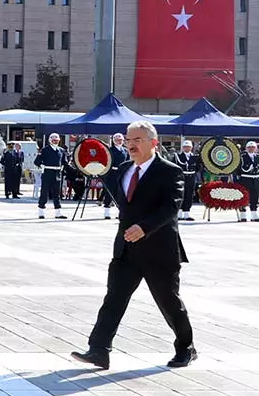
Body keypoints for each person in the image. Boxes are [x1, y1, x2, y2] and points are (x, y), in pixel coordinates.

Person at [72, 120, 195, 370]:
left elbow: (171, 206)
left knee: (168, 302)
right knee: (114, 299)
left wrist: (145, 227)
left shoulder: (170, 170)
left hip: (159, 249)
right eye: (128, 140)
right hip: (126, 250)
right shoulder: (125, 169)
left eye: (137, 140)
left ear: (154, 142)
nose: (131, 145)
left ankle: (186, 347)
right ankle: (98, 350)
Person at [35, 133, 68, 219]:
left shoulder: (61, 150)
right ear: (50, 140)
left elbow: (65, 162)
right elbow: (37, 161)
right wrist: (42, 166)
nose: (55, 142)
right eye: (53, 140)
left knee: (57, 194)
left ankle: (58, 213)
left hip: (57, 173)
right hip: (47, 173)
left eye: (56, 140)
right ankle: (41, 212)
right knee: (44, 192)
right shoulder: (45, 150)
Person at [103, 133, 129, 219]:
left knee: (120, 193)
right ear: (114, 141)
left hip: (121, 174)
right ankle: (107, 212)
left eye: (121, 140)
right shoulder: (110, 150)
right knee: (110, 192)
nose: (120, 141)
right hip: (112, 173)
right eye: (118, 140)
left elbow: (128, 162)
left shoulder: (125, 150)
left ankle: (120, 213)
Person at [174, 140, 200, 221]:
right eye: (185, 147)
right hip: (182, 177)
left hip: (191, 177)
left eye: (188, 147)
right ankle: (179, 214)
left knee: (189, 194)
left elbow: (198, 167)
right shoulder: (178, 156)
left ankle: (186, 213)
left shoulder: (195, 157)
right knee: (181, 194)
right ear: (182, 148)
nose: (187, 148)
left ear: (191, 148)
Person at [241, 141, 259, 222]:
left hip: (256, 178)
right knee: (243, 196)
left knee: (255, 197)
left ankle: (254, 215)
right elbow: (239, 167)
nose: (251, 149)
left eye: (253, 147)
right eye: (249, 147)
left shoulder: (257, 156)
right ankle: (243, 215)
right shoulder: (242, 156)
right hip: (245, 178)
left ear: (256, 148)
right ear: (246, 148)